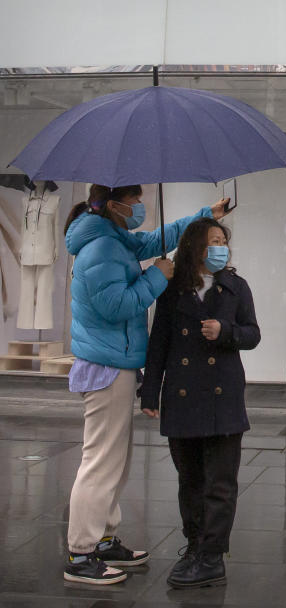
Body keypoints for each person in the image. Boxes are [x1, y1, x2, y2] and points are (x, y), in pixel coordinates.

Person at [63, 184, 226, 585]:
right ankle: (81, 553)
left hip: (116, 361)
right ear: (114, 205)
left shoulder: (113, 238)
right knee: (100, 461)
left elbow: (157, 239)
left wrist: (207, 212)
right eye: (135, 200)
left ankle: (103, 538)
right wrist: (156, 275)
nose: (140, 206)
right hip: (106, 365)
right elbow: (115, 305)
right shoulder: (100, 249)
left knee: (116, 461)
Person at [140, 218, 260, 588]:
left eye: (223, 240)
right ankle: (193, 545)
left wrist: (226, 332)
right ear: (194, 247)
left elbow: (252, 334)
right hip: (182, 395)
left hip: (223, 398)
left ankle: (212, 557)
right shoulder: (172, 290)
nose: (220, 247)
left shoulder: (236, 287)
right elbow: (158, 342)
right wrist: (149, 391)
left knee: (220, 483)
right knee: (189, 479)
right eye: (212, 241)